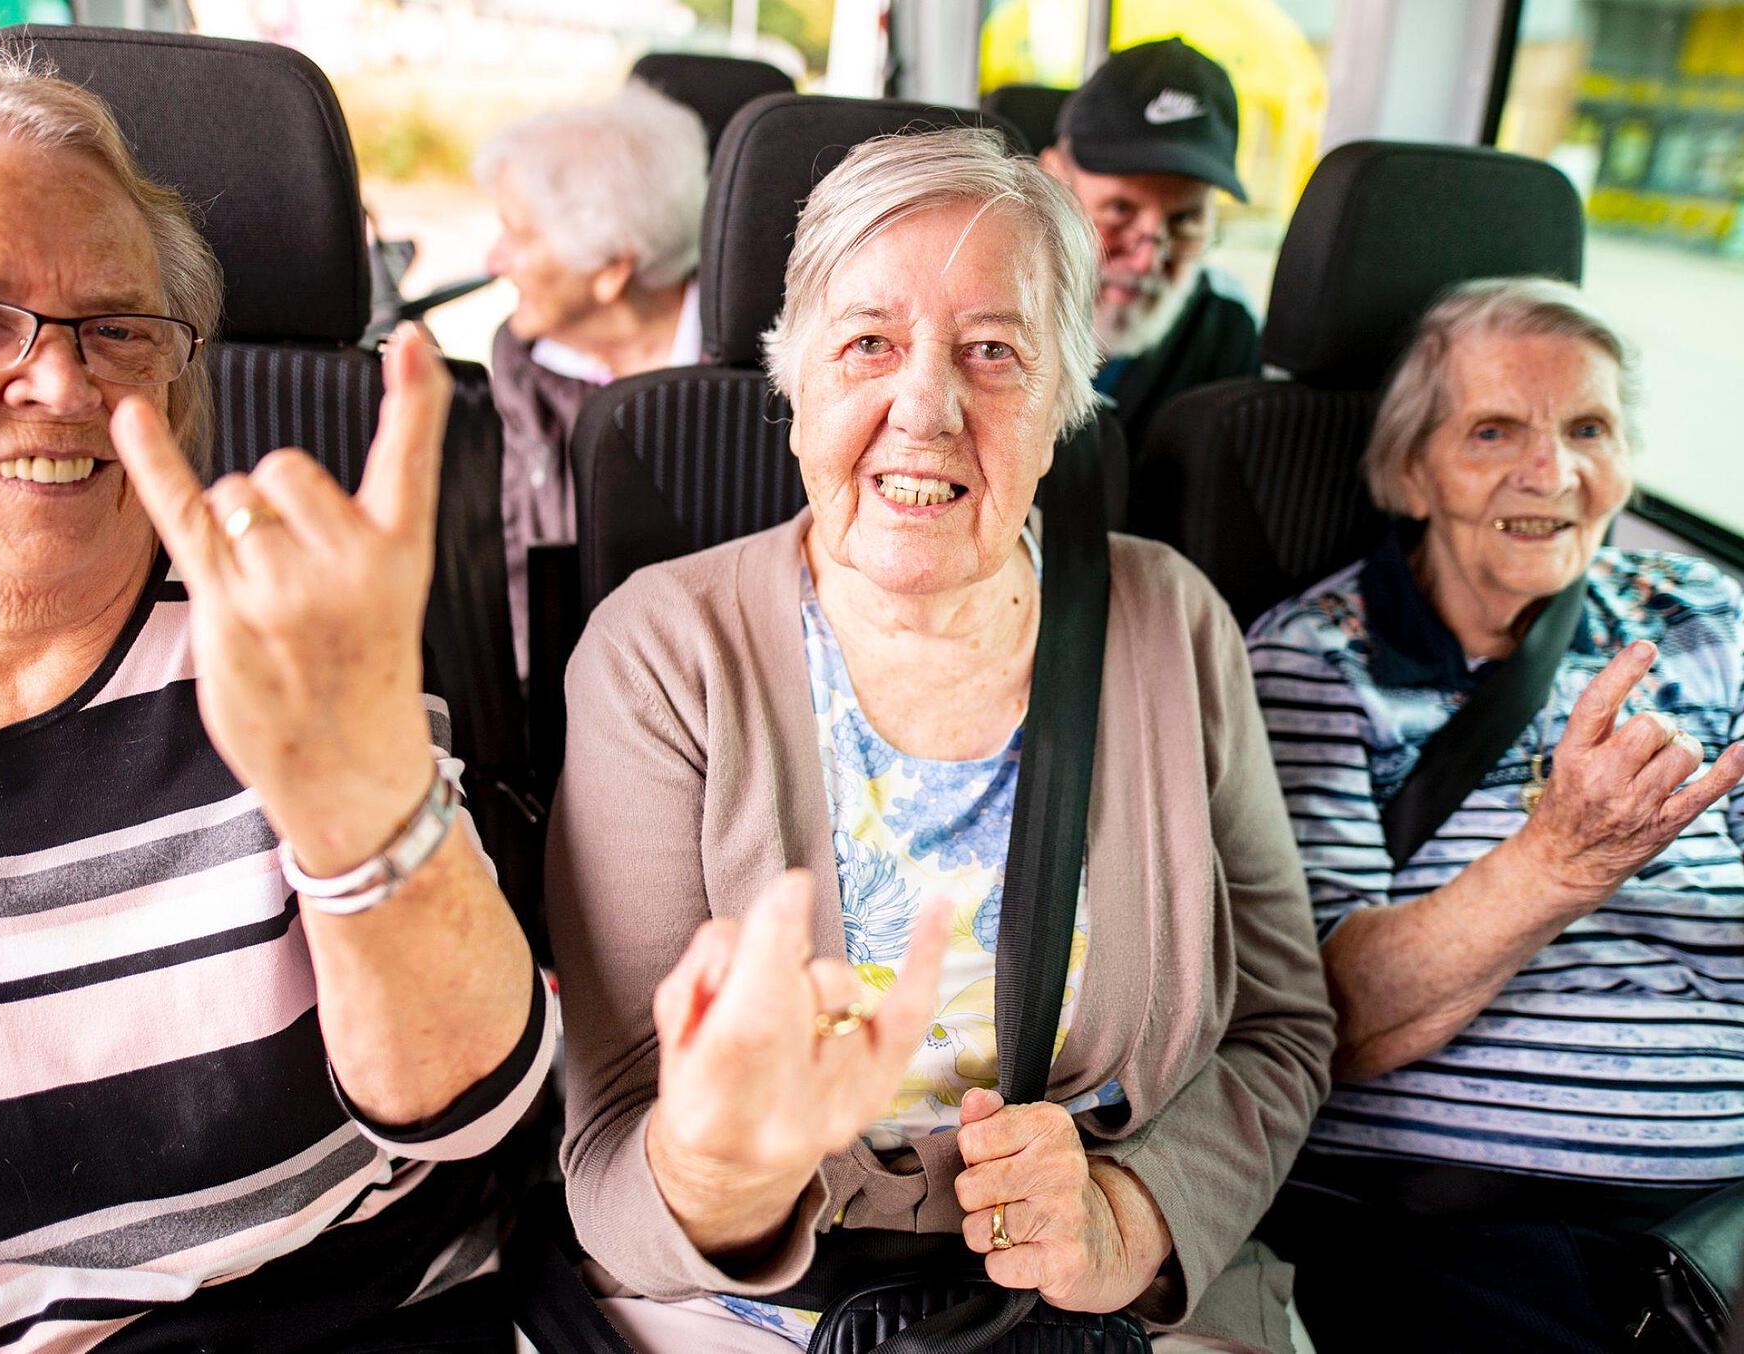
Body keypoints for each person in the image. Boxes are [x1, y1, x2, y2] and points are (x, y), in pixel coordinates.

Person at [0, 43, 554, 1353]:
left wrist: (358, 792)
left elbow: (468, 1108)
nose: (62, 381)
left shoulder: (278, 631)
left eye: (117, 326)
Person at [546, 127, 1333, 1354]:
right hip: (742, 1307)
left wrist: (1131, 1212)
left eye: (992, 352)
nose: (924, 405)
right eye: (867, 343)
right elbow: (606, 1140)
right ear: (791, 375)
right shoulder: (661, 649)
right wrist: (724, 1176)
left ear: (1066, 398)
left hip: (1100, 1295)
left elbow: (1284, 1029)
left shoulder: (1169, 618)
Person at [1247, 277, 1744, 1351]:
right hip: (1482, 1224)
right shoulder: (1315, 659)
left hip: (1725, 1222)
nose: (1551, 473)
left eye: (1586, 428)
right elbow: (1312, 1014)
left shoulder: (1700, 614)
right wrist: (1557, 860)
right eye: (1492, 431)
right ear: (1411, 472)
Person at [474, 83, 708, 677]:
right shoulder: (522, 362)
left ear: (611, 268)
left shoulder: (755, 372)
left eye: (519, 235)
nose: (492, 261)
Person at [1037, 38, 1259, 450]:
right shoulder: (987, 319)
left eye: (1185, 220)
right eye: (1119, 210)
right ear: (1052, 183)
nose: (1145, 261)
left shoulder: (1224, 336)